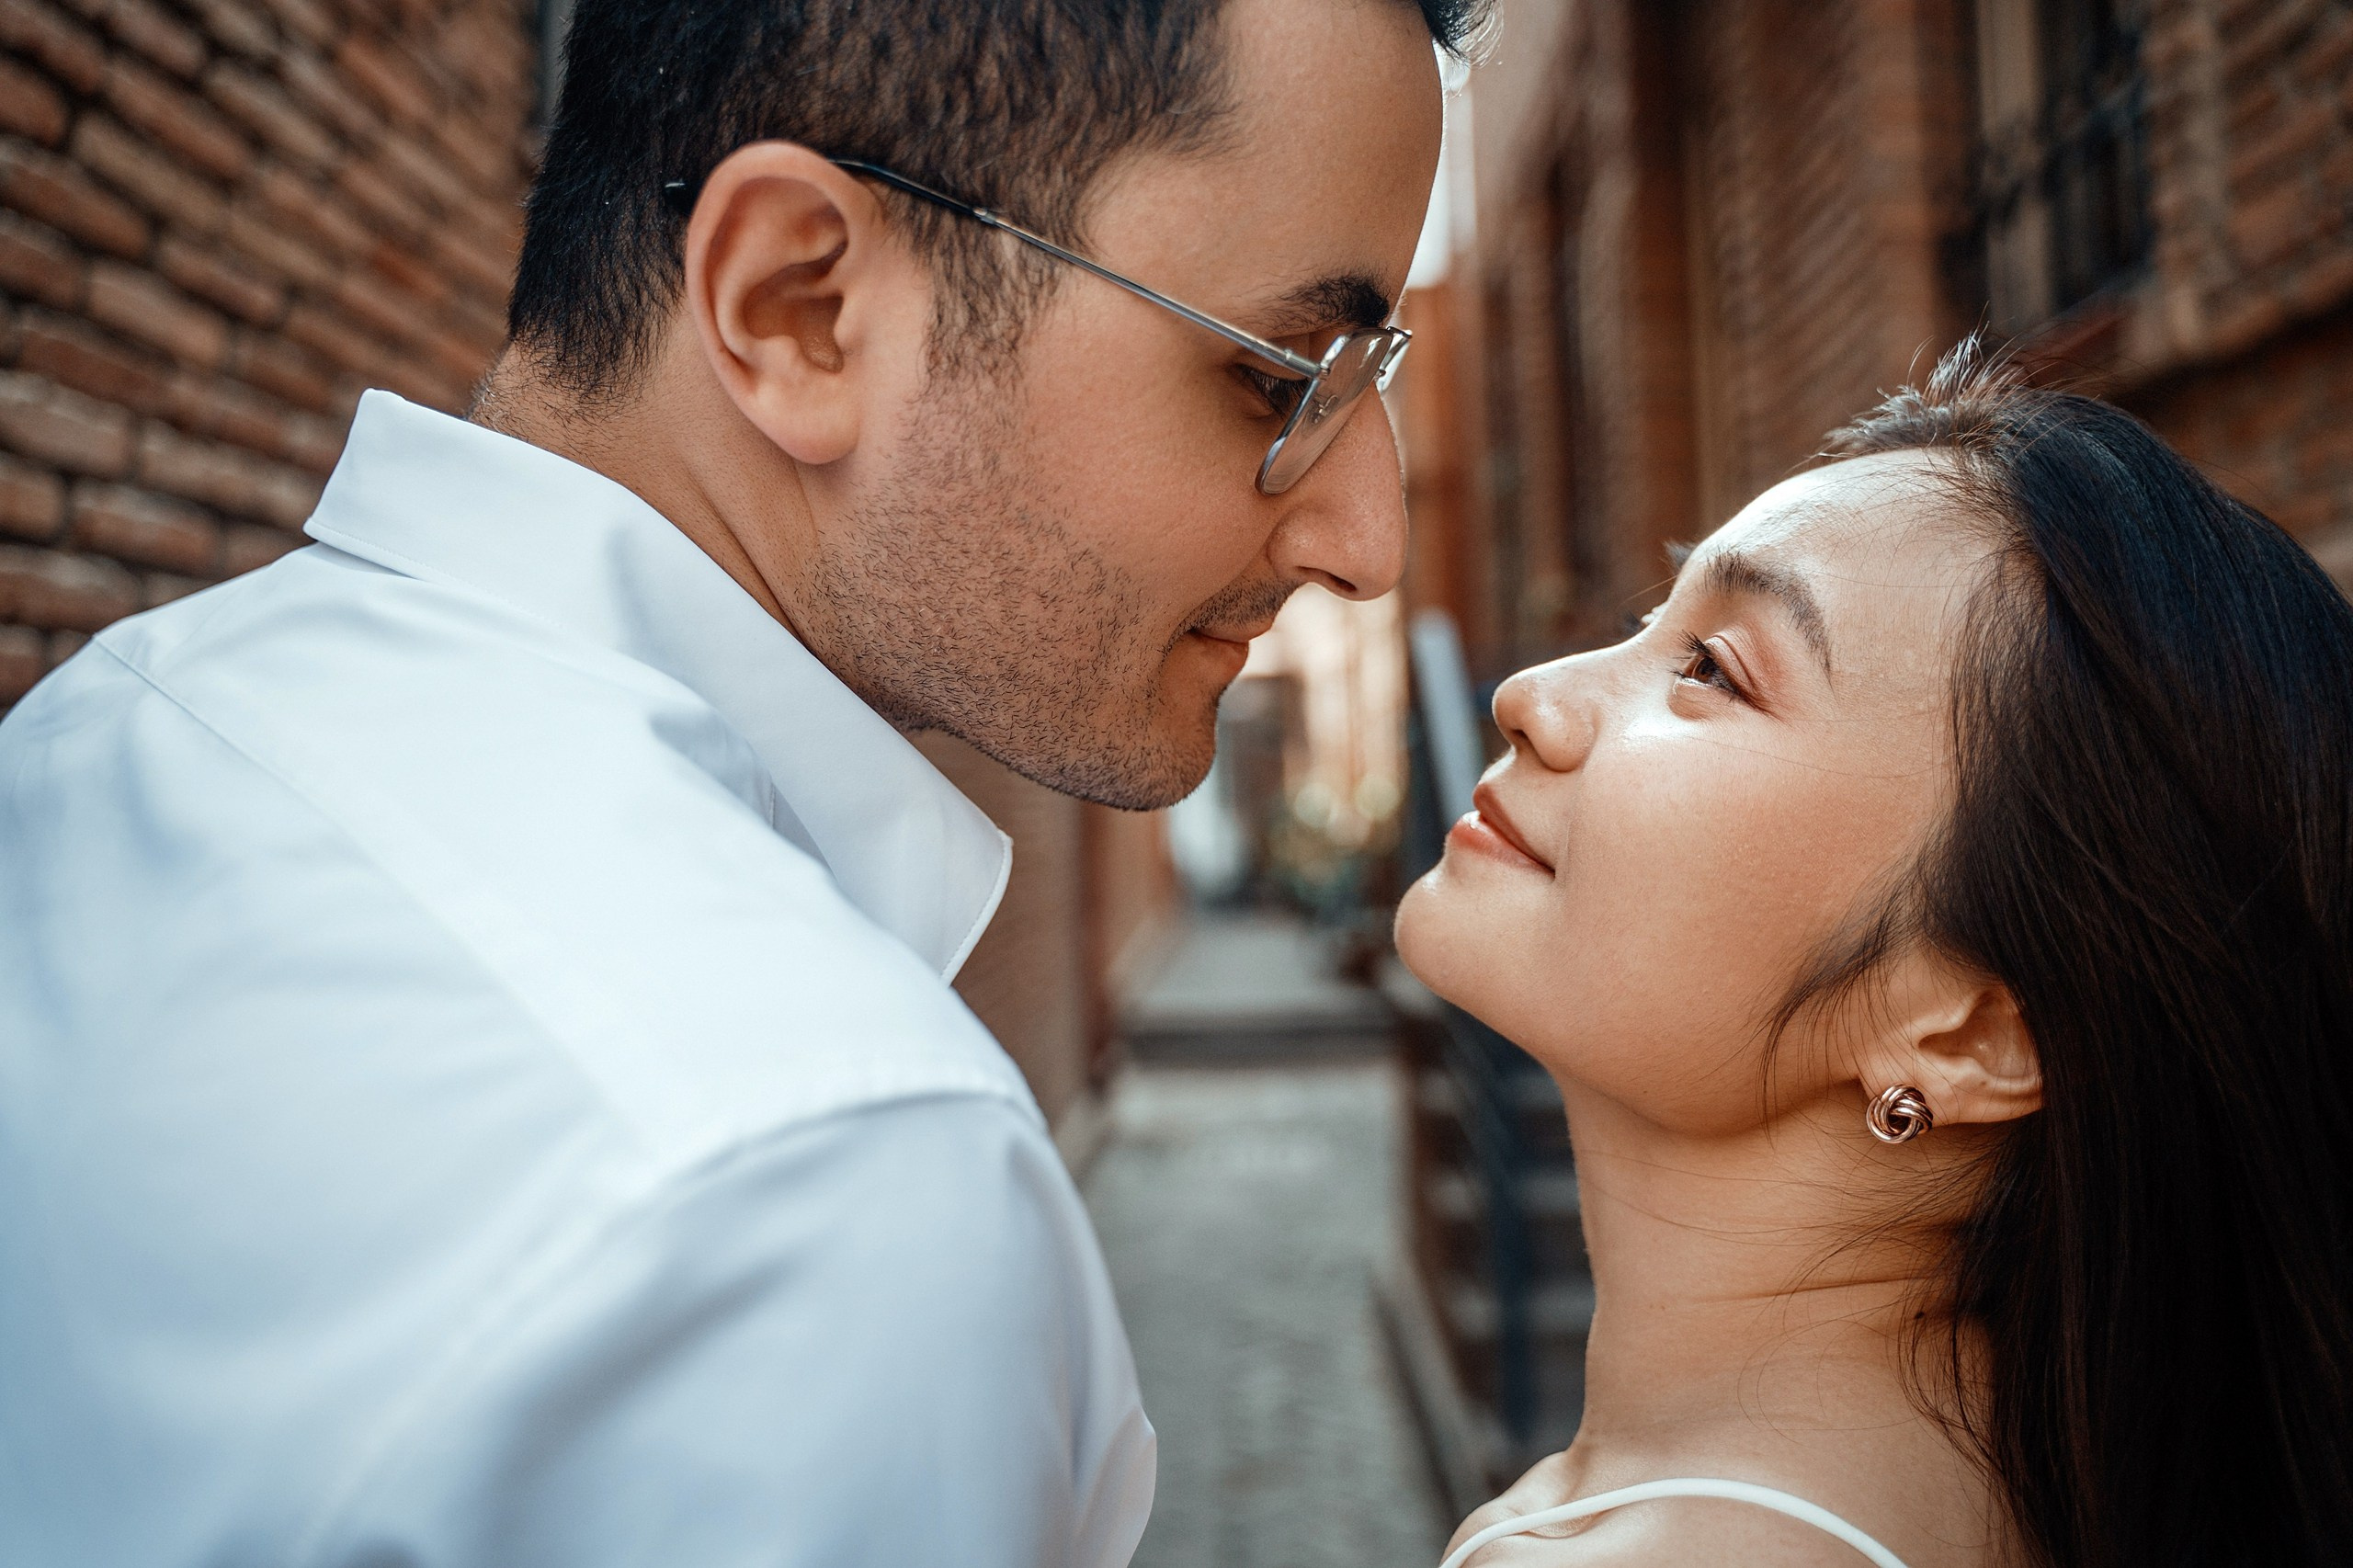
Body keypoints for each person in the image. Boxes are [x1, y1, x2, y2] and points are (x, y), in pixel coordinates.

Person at [0, 1, 1480, 1562]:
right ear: (798, 306)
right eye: (1283, 379)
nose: (1370, 538)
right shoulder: (818, 1187)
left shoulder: (94, 739)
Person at [1398, 342, 2353, 1568]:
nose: (1532, 694)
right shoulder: (2005, 1486)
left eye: (1714, 671)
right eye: (1650, 623)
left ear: (1970, 1031)